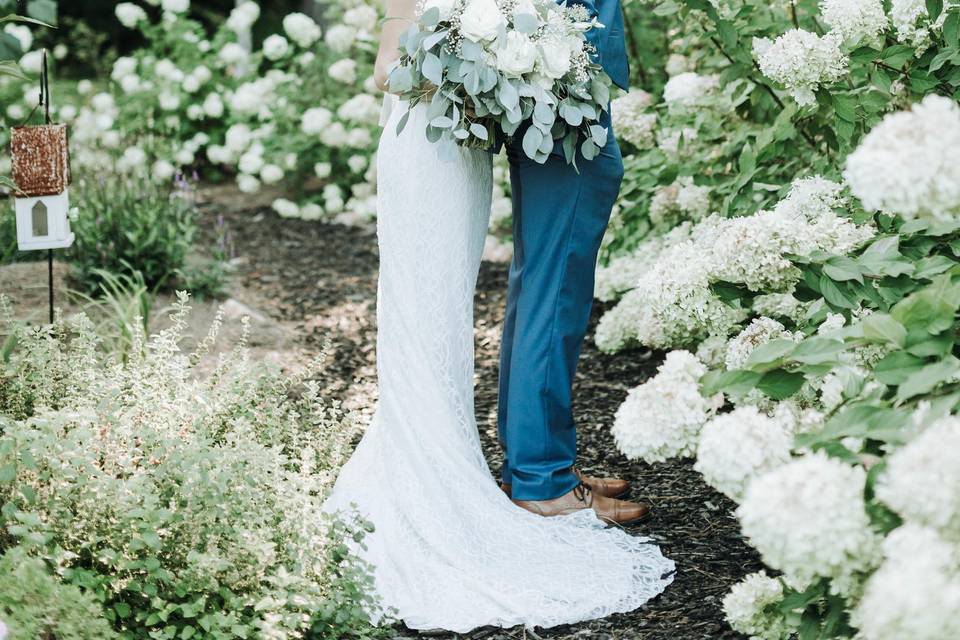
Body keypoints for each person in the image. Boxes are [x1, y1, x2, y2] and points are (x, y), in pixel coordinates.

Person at [323, 0, 674, 633]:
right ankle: (539, 477)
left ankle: (540, 465)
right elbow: (394, 60)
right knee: (523, 287)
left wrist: (510, 54)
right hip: (470, 116)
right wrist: (501, 56)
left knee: (474, 309)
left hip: (487, 115)